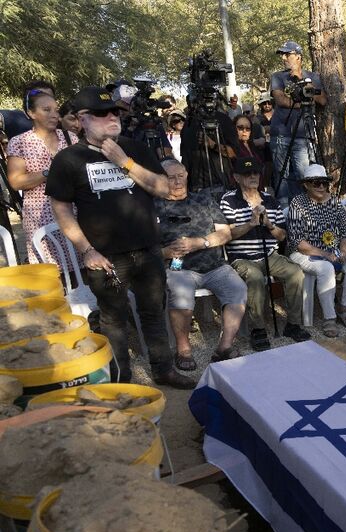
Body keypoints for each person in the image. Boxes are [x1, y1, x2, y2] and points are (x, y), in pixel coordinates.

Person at [46, 86, 194, 389]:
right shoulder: (68, 159)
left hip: (148, 249)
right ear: (82, 119)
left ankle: (163, 369)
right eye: (102, 114)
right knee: (113, 320)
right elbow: (61, 208)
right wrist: (86, 250)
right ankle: (121, 378)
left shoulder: (134, 149)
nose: (111, 117)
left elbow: (165, 189)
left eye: (115, 111)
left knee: (153, 312)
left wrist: (124, 161)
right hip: (105, 256)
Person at [156, 159, 247, 367]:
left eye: (180, 175)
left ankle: (225, 347)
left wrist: (201, 243)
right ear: (161, 179)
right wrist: (165, 252)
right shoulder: (154, 206)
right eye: (170, 177)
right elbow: (144, 247)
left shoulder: (204, 200)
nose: (177, 181)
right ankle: (183, 350)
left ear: (187, 174)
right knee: (180, 294)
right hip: (178, 269)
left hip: (214, 265)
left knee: (237, 288)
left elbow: (225, 234)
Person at [221, 156, 310, 351]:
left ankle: (293, 325)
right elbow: (227, 234)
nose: (253, 176)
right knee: (254, 277)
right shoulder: (228, 200)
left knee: (295, 273)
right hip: (242, 258)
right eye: (247, 173)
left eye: (255, 173)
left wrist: (269, 225)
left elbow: (281, 235)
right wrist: (251, 223)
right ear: (236, 177)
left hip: (269, 255)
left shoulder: (270, 200)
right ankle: (258, 329)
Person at [288, 164, 346, 337]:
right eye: (316, 183)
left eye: (324, 183)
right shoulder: (298, 203)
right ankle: (329, 318)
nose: (321, 186)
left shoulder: (335, 202)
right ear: (306, 184)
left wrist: (344, 250)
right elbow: (297, 241)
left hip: (333, 248)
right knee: (326, 268)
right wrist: (325, 255)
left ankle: (345, 307)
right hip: (305, 252)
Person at [7, 90, 77, 264]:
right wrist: (49, 172)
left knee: (82, 268)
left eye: (56, 110)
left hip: (75, 212)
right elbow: (16, 182)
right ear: (31, 113)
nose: (54, 115)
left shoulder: (70, 138)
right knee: (52, 272)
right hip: (40, 217)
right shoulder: (20, 142)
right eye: (47, 110)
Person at [270, 40, 327, 205]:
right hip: (281, 134)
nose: (284, 58)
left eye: (288, 54)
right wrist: (305, 102)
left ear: (299, 57)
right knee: (282, 177)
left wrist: (304, 81)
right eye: (283, 55)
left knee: (304, 176)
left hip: (303, 136)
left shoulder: (313, 76)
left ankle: (306, 212)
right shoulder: (278, 76)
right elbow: (280, 99)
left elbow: (323, 100)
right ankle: (283, 215)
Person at [234, 115, 268, 189]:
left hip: (258, 190)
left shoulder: (252, 146)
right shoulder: (233, 148)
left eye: (248, 128)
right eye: (240, 128)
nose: (244, 131)